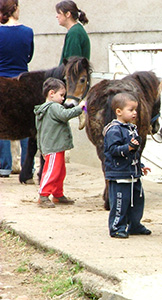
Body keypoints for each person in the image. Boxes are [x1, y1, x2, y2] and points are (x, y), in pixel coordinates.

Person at [103, 93, 152, 239]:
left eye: (135, 110)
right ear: (119, 111)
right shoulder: (114, 130)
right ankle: (117, 227)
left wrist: (140, 165)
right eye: (131, 110)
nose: (135, 113)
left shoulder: (132, 128)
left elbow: (134, 152)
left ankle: (134, 224)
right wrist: (128, 148)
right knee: (120, 201)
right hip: (119, 174)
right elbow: (112, 150)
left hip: (133, 173)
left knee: (137, 200)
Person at [34, 78, 86, 208]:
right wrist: (80, 108)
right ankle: (43, 195)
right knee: (52, 171)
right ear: (51, 93)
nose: (63, 98)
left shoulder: (44, 109)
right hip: (53, 147)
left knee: (59, 172)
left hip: (54, 146)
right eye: (61, 95)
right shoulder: (54, 107)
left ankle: (57, 194)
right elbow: (65, 115)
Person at [0, 0, 34, 178]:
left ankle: (4, 166)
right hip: (22, 81)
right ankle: (27, 166)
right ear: (15, 9)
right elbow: (29, 56)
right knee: (26, 125)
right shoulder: (28, 32)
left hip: (2, 82)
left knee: (2, 123)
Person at [56, 0, 90, 65]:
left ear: (68, 14)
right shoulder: (76, 30)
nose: (57, 16)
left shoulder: (74, 33)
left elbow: (72, 63)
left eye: (59, 13)